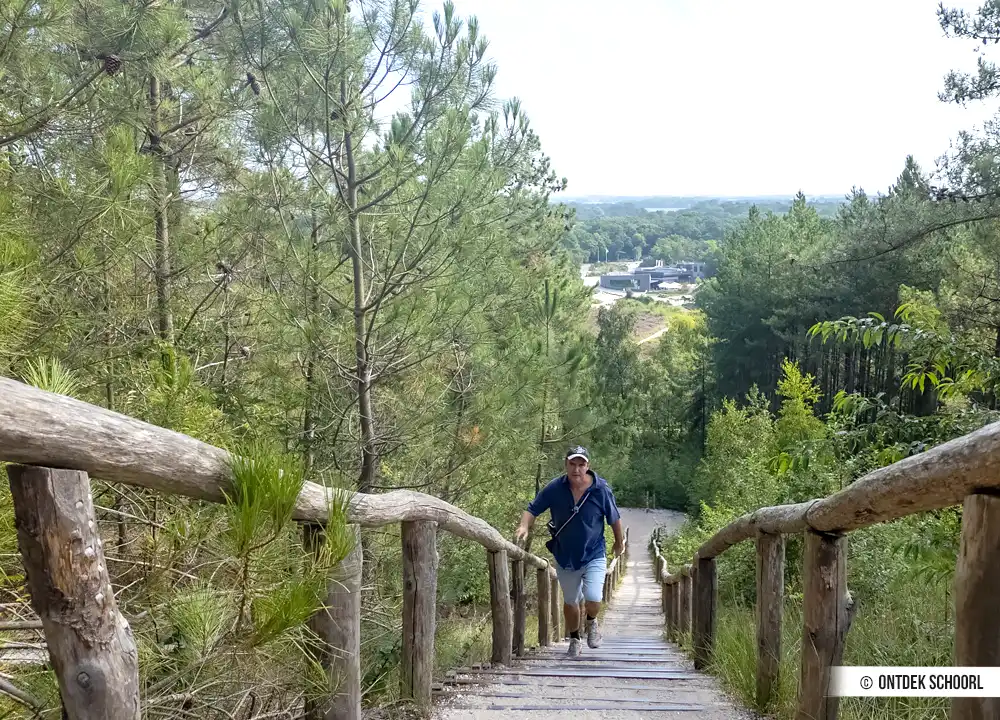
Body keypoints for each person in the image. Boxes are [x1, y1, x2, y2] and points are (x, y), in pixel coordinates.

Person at [514, 445, 624, 657]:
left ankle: (591, 622)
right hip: (565, 555)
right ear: (566, 465)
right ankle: (574, 638)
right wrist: (524, 526)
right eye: (572, 464)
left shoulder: (601, 490)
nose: (576, 469)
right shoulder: (555, 488)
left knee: (593, 597)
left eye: (581, 464)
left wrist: (619, 542)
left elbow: (614, 518)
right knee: (571, 602)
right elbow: (532, 508)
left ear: (587, 466)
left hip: (594, 552)